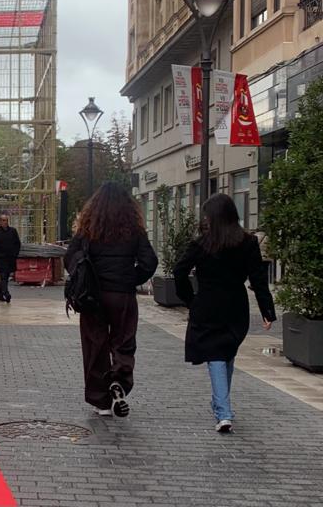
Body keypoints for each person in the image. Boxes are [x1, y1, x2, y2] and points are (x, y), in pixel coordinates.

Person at [172, 193, 276, 433]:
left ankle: (223, 411)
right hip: (236, 306)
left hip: (207, 305)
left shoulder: (202, 243)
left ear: (215, 217)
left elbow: (179, 271)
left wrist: (190, 299)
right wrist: (266, 310)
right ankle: (222, 405)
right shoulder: (248, 242)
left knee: (218, 356)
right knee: (225, 353)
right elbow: (258, 279)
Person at [64, 182, 158, 417]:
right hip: (123, 294)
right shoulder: (134, 229)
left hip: (92, 296)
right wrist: (130, 278)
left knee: (95, 344)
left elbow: (69, 258)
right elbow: (150, 262)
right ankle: (119, 381)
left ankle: (101, 400)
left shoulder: (88, 228)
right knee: (123, 342)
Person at [0, 215, 21, 303]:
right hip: (1, 258)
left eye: (6, 220)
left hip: (10, 258)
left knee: (6, 276)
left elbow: (17, 244)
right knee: (3, 276)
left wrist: (15, 254)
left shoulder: (13, 231)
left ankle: (0, 294)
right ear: (0, 222)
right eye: (3, 220)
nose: (5, 222)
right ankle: (6, 293)